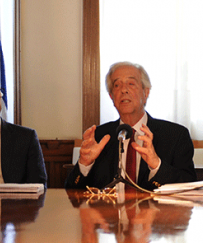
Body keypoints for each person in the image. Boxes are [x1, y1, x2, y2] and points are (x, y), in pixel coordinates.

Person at [65, 62, 196, 191]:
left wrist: (156, 165)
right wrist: (84, 165)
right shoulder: (99, 136)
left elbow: (190, 187)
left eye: (131, 84)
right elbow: (70, 193)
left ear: (146, 93)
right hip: (108, 212)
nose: (123, 90)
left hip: (156, 212)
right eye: (117, 85)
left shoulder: (175, 135)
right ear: (111, 97)